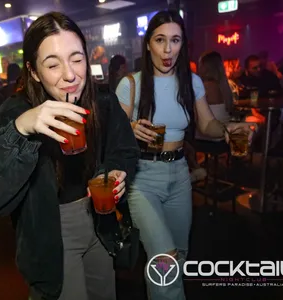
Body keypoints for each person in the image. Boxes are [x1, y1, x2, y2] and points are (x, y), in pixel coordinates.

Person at [0, 12, 139, 300]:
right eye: (53, 64)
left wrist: (116, 169)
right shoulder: (16, 112)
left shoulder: (102, 102)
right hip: (51, 232)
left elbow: (125, 150)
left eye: (77, 58)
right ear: (33, 72)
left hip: (100, 221)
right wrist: (22, 130)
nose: (69, 74)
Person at [115, 10, 255, 300]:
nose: (167, 50)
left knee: (179, 254)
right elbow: (109, 136)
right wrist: (129, 128)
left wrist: (229, 129)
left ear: (183, 44)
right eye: (160, 40)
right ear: (149, 44)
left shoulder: (192, 82)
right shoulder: (131, 84)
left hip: (179, 175)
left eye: (175, 40)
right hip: (142, 178)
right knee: (164, 258)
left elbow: (207, 125)